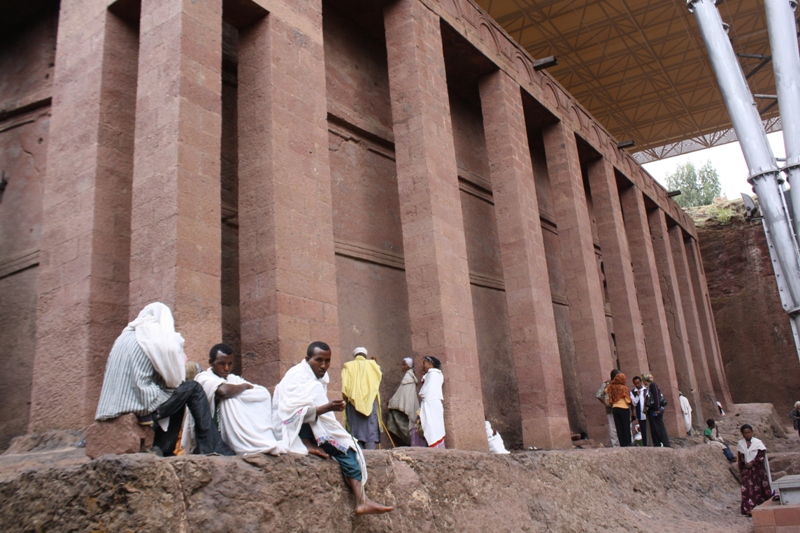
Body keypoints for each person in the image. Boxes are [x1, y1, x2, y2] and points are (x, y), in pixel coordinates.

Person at [95, 303, 234, 457]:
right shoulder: (153, 336)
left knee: (177, 394)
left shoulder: (125, 336)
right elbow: (174, 379)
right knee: (191, 388)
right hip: (139, 405)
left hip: (110, 406)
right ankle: (214, 448)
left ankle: (163, 448)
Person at [274, 341, 393, 515]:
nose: (324, 365)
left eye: (327, 361)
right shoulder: (297, 376)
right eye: (319, 360)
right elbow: (290, 413)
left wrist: (329, 409)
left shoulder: (318, 378)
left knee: (349, 446)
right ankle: (361, 499)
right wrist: (328, 408)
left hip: (315, 424)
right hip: (291, 430)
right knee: (346, 447)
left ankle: (362, 500)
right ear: (307, 359)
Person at [195, 344, 285, 455]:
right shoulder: (203, 377)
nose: (226, 368)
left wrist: (238, 391)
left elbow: (262, 393)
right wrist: (244, 387)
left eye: (230, 364)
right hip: (212, 431)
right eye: (221, 364)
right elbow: (223, 391)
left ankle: (256, 439)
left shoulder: (233, 379)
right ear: (211, 362)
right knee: (228, 399)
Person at [341, 347, 382, 450]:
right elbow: (378, 378)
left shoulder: (348, 366)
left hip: (353, 404)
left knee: (355, 432)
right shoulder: (373, 366)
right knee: (370, 430)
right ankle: (371, 454)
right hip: (371, 403)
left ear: (355, 356)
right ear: (365, 355)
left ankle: (358, 454)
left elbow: (344, 388)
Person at [737, 424, 772, 516]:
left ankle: (761, 506)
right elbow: (740, 457)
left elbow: (761, 455)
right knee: (747, 488)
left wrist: (753, 462)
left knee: (759, 487)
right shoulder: (741, 444)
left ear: (752, 432)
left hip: (757, 469)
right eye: (745, 433)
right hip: (747, 470)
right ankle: (748, 508)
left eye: (749, 432)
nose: (747, 435)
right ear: (742, 434)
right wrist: (742, 467)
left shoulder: (758, 443)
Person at [386, 357, 419, 446]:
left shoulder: (408, 378)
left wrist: (392, 403)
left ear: (409, 366)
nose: (402, 367)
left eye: (404, 365)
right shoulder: (409, 378)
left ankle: (409, 441)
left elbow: (402, 395)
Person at [418, 356, 446, 449]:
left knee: (430, 426)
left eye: (424, 363)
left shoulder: (432, 374)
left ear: (430, 363)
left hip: (430, 404)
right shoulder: (438, 375)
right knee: (437, 426)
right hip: (436, 403)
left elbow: (424, 392)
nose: (423, 366)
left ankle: (434, 447)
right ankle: (439, 447)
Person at [642, 373, 670, 447]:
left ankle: (666, 444)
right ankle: (657, 444)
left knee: (659, 427)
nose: (643, 382)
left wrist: (657, 409)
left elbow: (656, 397)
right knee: (654, 428)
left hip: (655, 410)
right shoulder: (648, 387)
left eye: (643, 380)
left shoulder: (653, 385)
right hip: (651, 410)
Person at [605, 372, 632, 447]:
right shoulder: (624, 388)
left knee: (619, 427)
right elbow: (628, 400)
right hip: (624, 408)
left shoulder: (611, 387)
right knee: (626, 426)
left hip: (615, 408)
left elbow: (606, 391)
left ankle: (622, 443)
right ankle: (628, 443)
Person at [596, 370, 620, 447]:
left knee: (615, 427)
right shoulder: (607, 384)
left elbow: (598, 395)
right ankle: (617, 444)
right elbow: (598, 395)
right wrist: (606, 402)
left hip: (616, 408)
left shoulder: (609, 384)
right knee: (614, 427)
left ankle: (618, 444)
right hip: (614, 409)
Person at [630, 376, 648, 446]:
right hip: (640, 413)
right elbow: (634, 403)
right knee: (643, 429)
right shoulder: (632, 392)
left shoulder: (645, 390)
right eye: (636, 384)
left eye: (638, 383)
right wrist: (637, 395)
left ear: (641, 382)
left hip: (647, 413)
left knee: (649, 428)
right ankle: (645, 444)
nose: (637, 385)